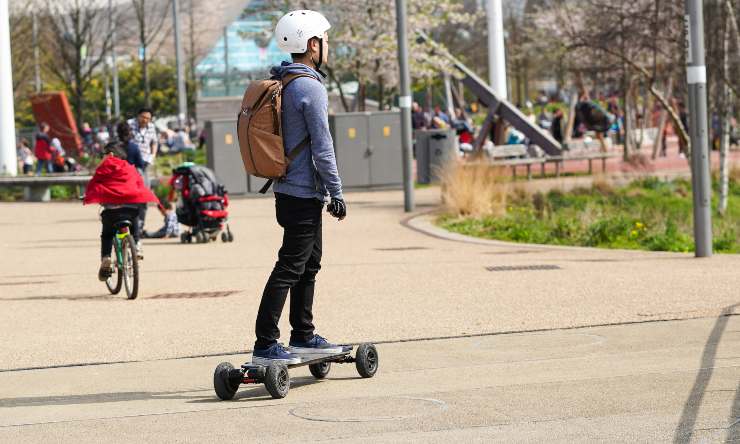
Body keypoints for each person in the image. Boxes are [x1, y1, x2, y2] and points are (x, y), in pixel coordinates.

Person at [250, 9, 346, 365]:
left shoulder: (286, 81)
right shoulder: (309, 87)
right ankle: (265, 342)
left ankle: (303, 334)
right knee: (291, 265)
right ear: (311, 44)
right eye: (323, 40)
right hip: (303, 192)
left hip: (288, 190)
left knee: (308, 263)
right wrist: (336, 191)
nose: (326, 46)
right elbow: (323, 146)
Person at [83, 142, 158, 281]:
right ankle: (136, 244)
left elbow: (94, 184)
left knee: (107, 235)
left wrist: (88, 196)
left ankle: (106, 258)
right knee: (134, 216)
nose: (102, 158)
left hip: (111, 212)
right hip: (130, 209)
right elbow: (139, 184)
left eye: (103, 155)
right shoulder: (129, 168)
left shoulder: (103, 167)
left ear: (110, 155)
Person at [127, 108, 158, 240]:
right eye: (143, 117)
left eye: (148, 118)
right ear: (138, 116)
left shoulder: (151, 127)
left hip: (145, 162)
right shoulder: (129, 125)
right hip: (131, 163)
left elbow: (154, 142)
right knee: (131, 196)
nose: (145, 120)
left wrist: (153, 155)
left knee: (144, 195)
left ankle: (140, 225)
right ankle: (130, 225)